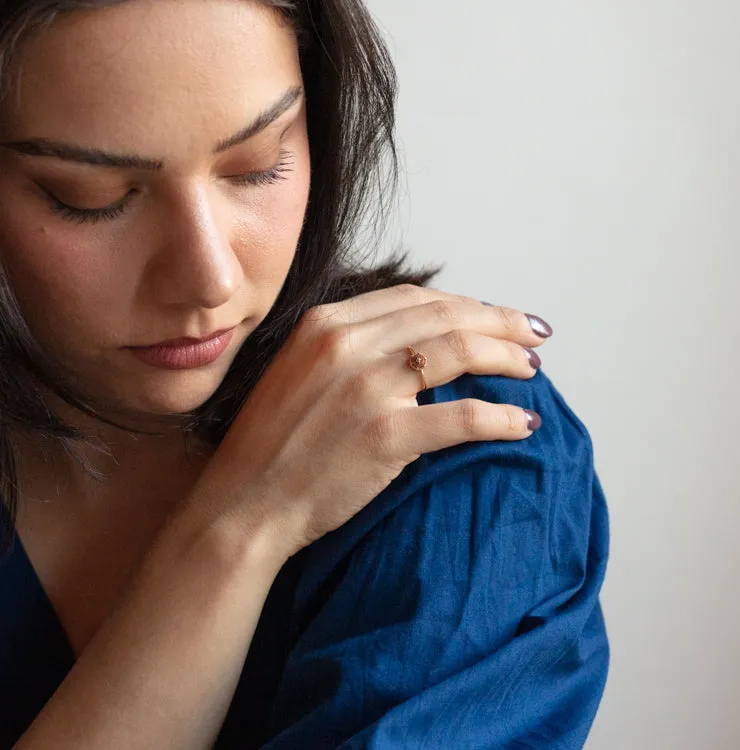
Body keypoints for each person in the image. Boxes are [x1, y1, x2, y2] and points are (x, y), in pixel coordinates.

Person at [0, 0, 610, 747]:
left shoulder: (450, 437)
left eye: (259, 164)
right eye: (89, 199)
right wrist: (241, 528)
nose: (208, 278)